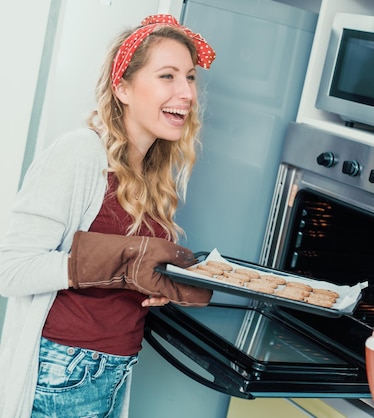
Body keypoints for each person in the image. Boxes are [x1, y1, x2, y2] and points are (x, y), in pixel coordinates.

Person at [0, 14, 217, 418]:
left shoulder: (151, 174)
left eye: (190, 78)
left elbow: (124, 270)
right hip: (65, 371)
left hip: (112, 368)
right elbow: (11, 268)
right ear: (123, 88)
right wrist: (124, 263)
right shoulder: (80, 153)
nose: (186, 93)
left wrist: (154, 282)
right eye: (167, 76)